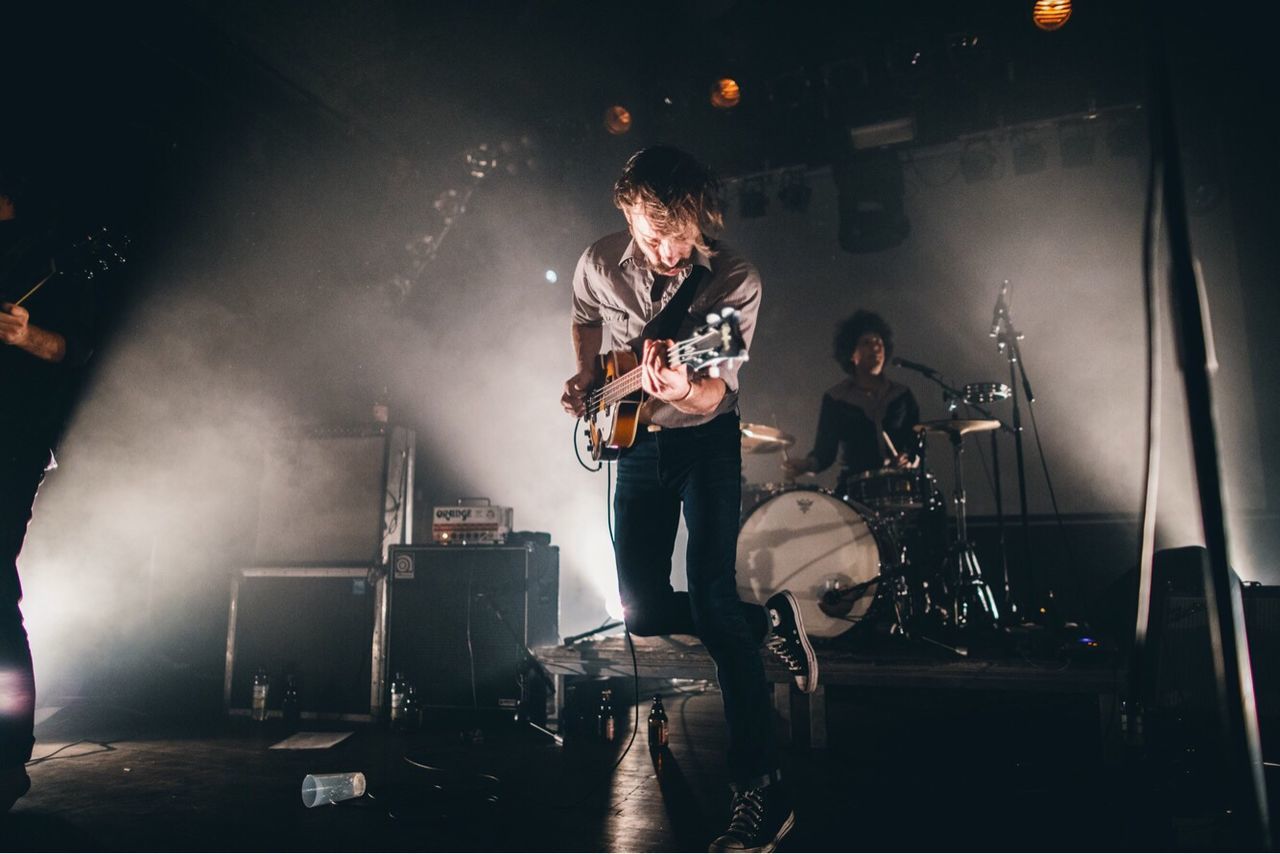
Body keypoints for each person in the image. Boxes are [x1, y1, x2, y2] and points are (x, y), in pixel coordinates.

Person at [561, 146, 816, 853]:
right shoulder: (599, 260)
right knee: (640, 607)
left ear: (702, 216)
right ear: (626, 213)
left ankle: (761, 791)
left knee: (708, 600)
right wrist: (588, 379)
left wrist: (681, 386)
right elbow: (584, 312)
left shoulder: (733, 281)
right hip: (632, 442)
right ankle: (767, 621)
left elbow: (715, 387)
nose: (670, 251)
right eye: (652, 235)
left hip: (704, 441)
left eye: (681, 234)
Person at [0, 169, 97, 812]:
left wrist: (27, 336)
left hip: (15, 438)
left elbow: (82, 345)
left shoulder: (54, 242)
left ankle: (8, 762)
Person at [782, 309, 921, 493]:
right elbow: (825, 453)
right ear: (851, 354)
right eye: (867, 343)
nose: (876, 347)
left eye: (879, 342)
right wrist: (805, 465)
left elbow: (918, 442)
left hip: (900, 486)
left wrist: (908, 458)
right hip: (856, 489)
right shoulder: (836, 398)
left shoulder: (902, 395)